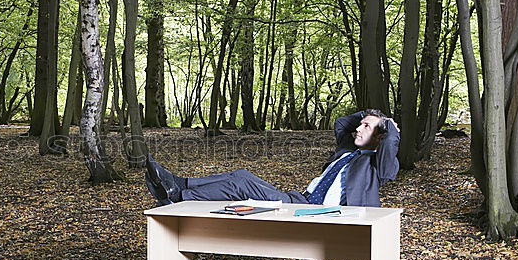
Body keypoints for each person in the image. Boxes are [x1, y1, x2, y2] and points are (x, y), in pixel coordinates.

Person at [145, 110, 400, 208]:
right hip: (301, 200)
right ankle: (181, 184)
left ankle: (177, 197)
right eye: (362, 124)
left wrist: (388, 125)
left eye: (366, 127)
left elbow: (389, 147)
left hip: (321, 212)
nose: (358, 128)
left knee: (241, 186)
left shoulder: (377, 165)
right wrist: (369, 115)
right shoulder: (347, 151)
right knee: (242, 175)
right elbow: (342, 122)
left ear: (380, 137)